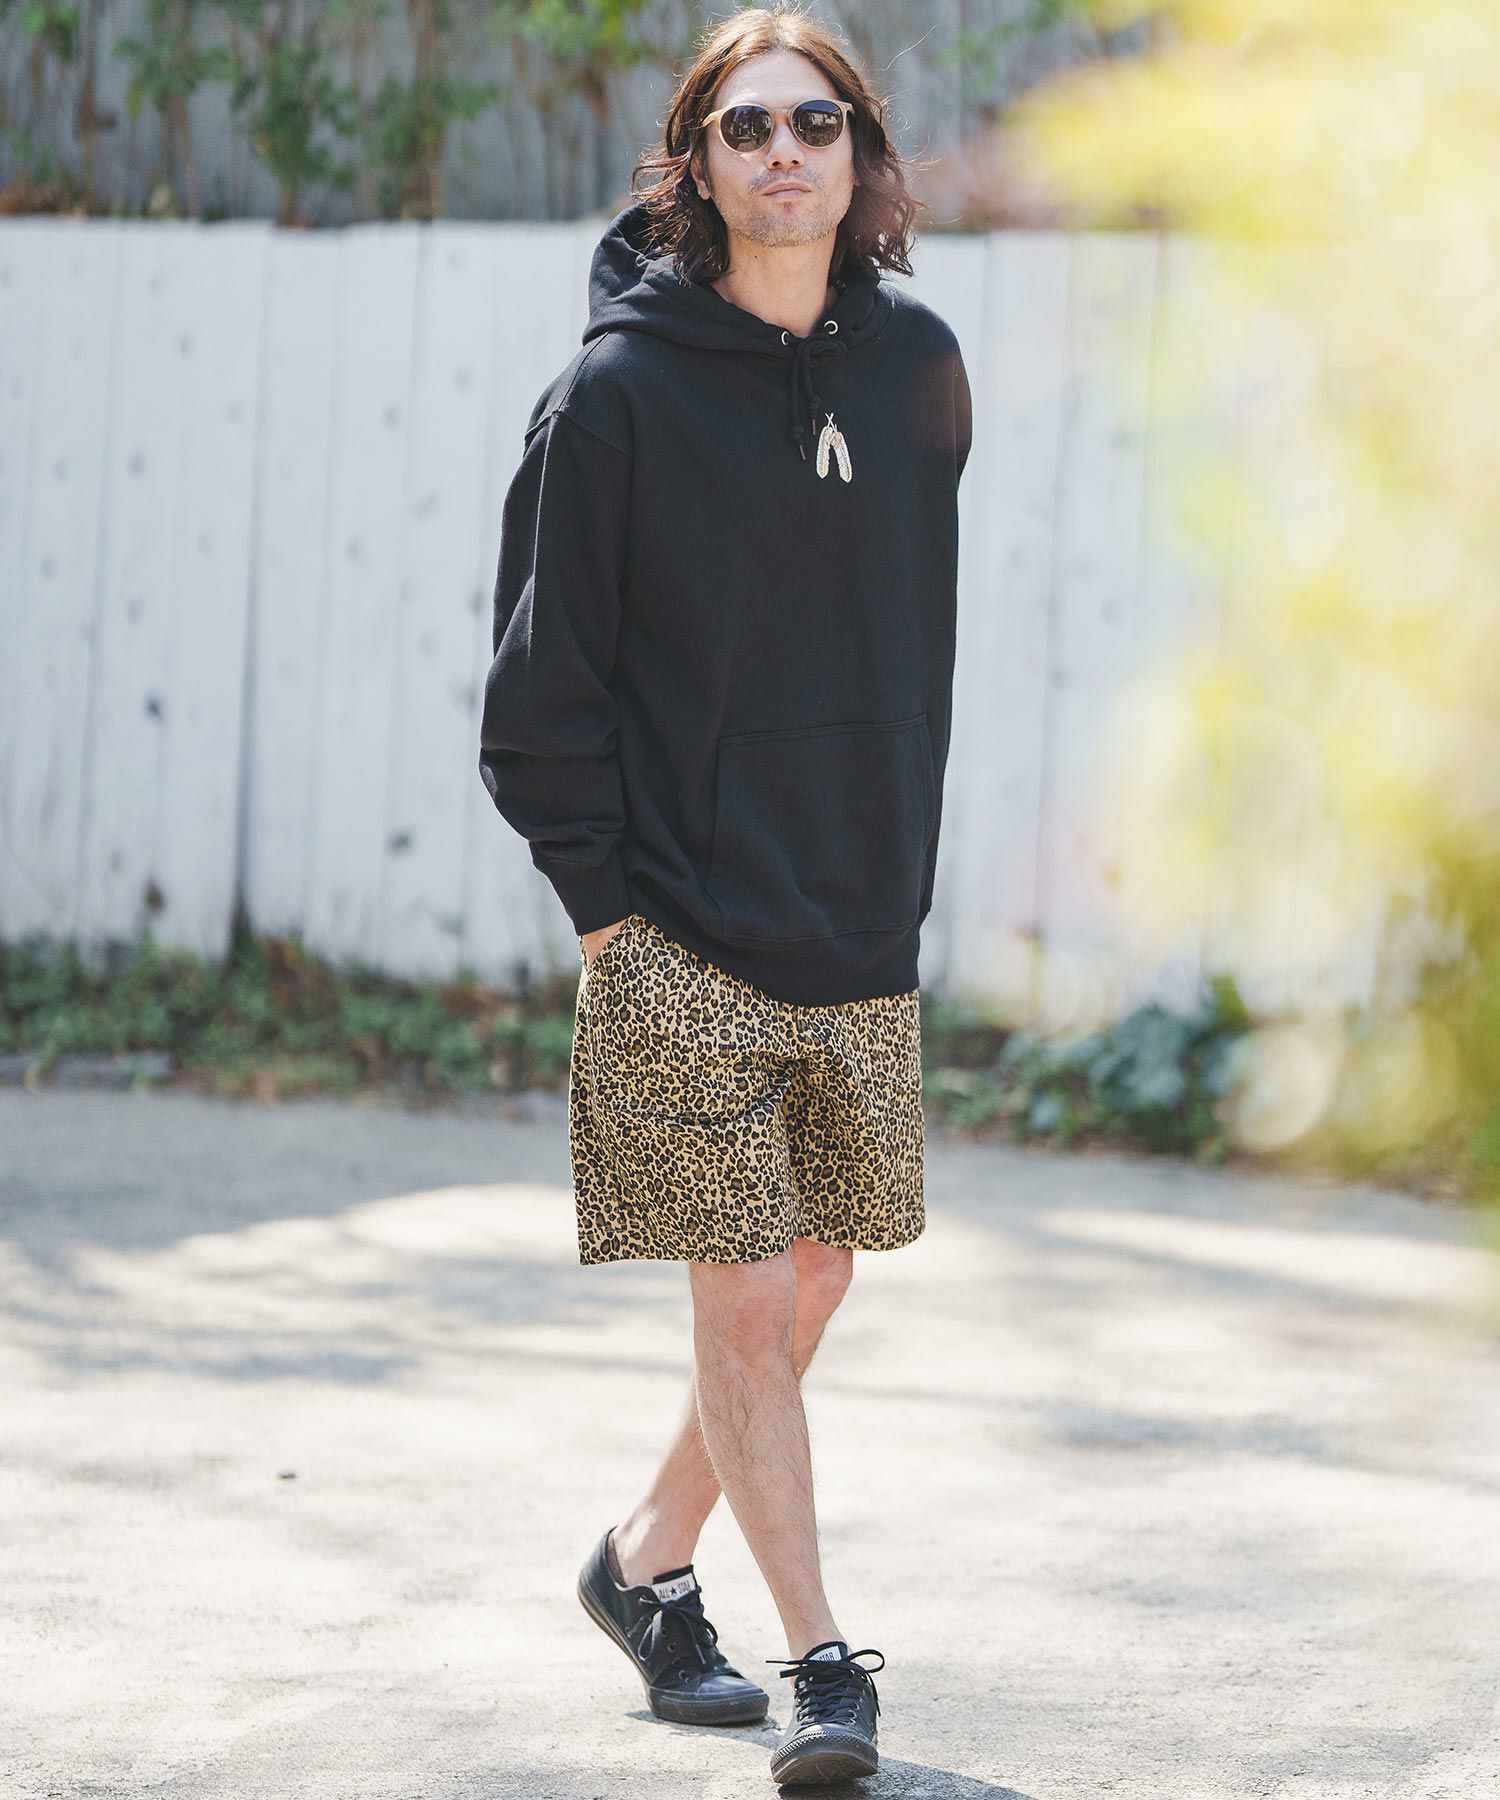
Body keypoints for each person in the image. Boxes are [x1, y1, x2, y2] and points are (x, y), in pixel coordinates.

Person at [478, 4, 971, 1786]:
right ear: (694, 160)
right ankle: (825, 1664)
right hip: (675, 928)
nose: (784, 151)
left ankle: (642, 1563)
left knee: (815, 1274)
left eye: (816, 122)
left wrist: (896, 872)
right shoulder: (611, 399)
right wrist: (612, 919)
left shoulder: (920, 368)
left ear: (861, 156)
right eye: (746, 124)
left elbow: (905, 646)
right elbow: (538, 698)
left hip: (856, 919)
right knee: (749, 1293)